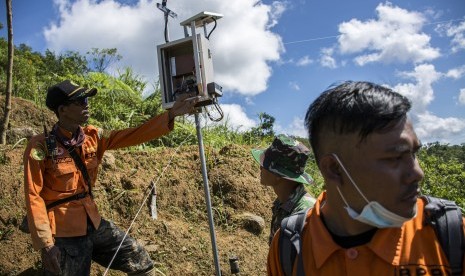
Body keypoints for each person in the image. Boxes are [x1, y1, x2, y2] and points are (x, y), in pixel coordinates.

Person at [267, 81, 465, 275]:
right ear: (334, 169)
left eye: (413, 154)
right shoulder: (290, 247)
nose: (417, 173)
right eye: (395, 157)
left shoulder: (450, 236)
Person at [23, 79, 198, 276]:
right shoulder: (40, 146)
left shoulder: (93, 137)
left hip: (94, 223)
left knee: (140, 261)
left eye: (87, 101)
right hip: (64, 233)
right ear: (62, 110)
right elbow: (33, 195)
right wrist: (46, 244)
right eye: (80, 102)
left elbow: (132, 135)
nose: (86, 105)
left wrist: (172, 114)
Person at [251, 134, 316, 245]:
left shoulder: (306, 214)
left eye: (265, 165)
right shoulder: (282, 202)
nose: (260, 168)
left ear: (278, 175)